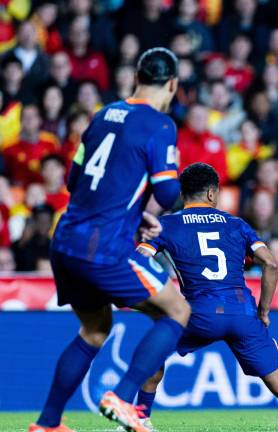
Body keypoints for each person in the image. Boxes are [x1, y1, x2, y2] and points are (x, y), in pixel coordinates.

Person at [29, 48, 190, 432]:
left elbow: (74, 182)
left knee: (95, 329)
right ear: (172, 84)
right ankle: (122, 395)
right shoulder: (160, 125)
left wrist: (133, 215)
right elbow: (168, 195)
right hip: (103, 248)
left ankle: (47, 424)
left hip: (65, 240)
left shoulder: (102, 115)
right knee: (178, 311)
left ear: (136, 76)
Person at [134, 163, 278, 431]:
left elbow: (139, 262)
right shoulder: (236, 223)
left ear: (183, 193)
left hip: (198, 313)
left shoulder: (166, 225)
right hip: (243, 313)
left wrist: (154, 303)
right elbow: (270, 264)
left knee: (152, 354)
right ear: (212, 194)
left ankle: (140, 418)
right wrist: (264, 311)